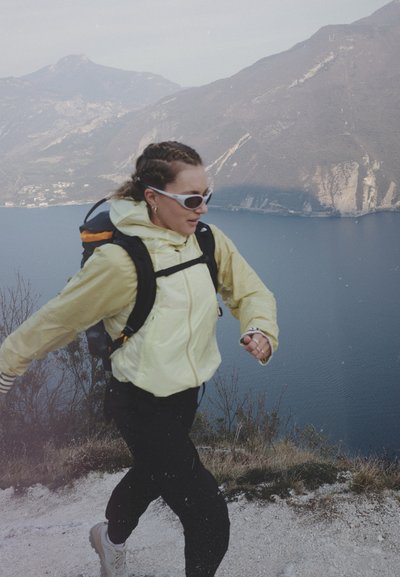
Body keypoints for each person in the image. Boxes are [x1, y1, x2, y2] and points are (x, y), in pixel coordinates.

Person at [0, 141, 278, 577]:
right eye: (190, 199)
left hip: (185, 394)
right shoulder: (119, 262)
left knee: (150, 474)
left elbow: (251, 290)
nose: (202, 209)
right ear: (152, 196)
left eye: (207, 196)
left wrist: (259, 327)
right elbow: (55, 320)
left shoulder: (204, 239)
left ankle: (107, 539)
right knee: (208, 516)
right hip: (139, 402)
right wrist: (5, 368)